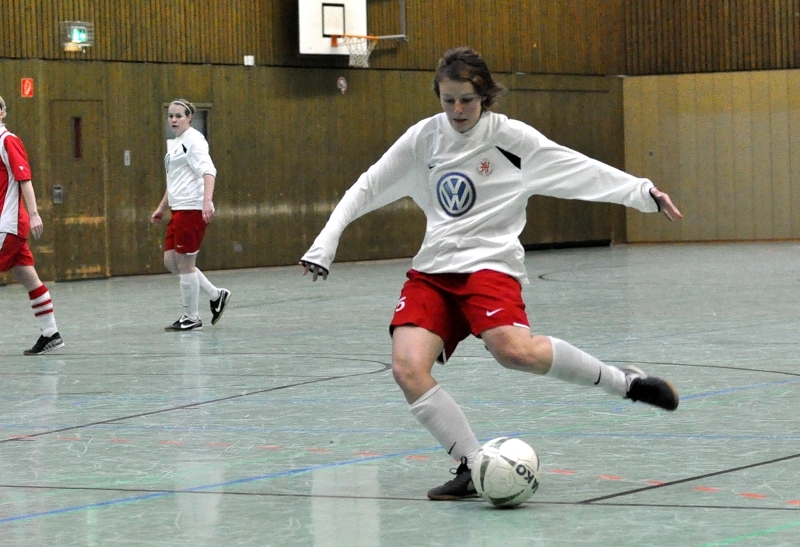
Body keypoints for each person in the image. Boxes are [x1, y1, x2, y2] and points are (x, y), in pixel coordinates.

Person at [299, 47, 684, 501]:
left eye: (467, 100)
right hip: (433, 271)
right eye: (448, 100)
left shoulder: (512, 140)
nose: (457, 110)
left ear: (484, 96)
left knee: (515, 352)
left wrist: (642, 192)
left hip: (490, 265)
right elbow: (367, 186)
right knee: (407, 368)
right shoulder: (424, 139)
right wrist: (325, 243)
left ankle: (626, 382)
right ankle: (470, 464)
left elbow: (578, 169)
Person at [151, 99, 230, 331]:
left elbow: (209, 171)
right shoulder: (176, 144)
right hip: (177, 209)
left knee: (185, 263)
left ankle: (192, 317)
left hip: (192, 208)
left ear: (189, 118)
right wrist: (162, 207)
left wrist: (206, 202)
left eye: (179, 116)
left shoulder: (194, 141)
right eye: (170, 116)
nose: (173, 120)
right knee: (171, 262)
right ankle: (216, 294)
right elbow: (174, 181)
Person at [0, 95, 65, 355]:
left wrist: (35, 213)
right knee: (29, 278)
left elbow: (24, 179)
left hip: (8, 224)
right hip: (7, 225)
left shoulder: (7, 140)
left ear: (2, 113)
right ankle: (51, 334)